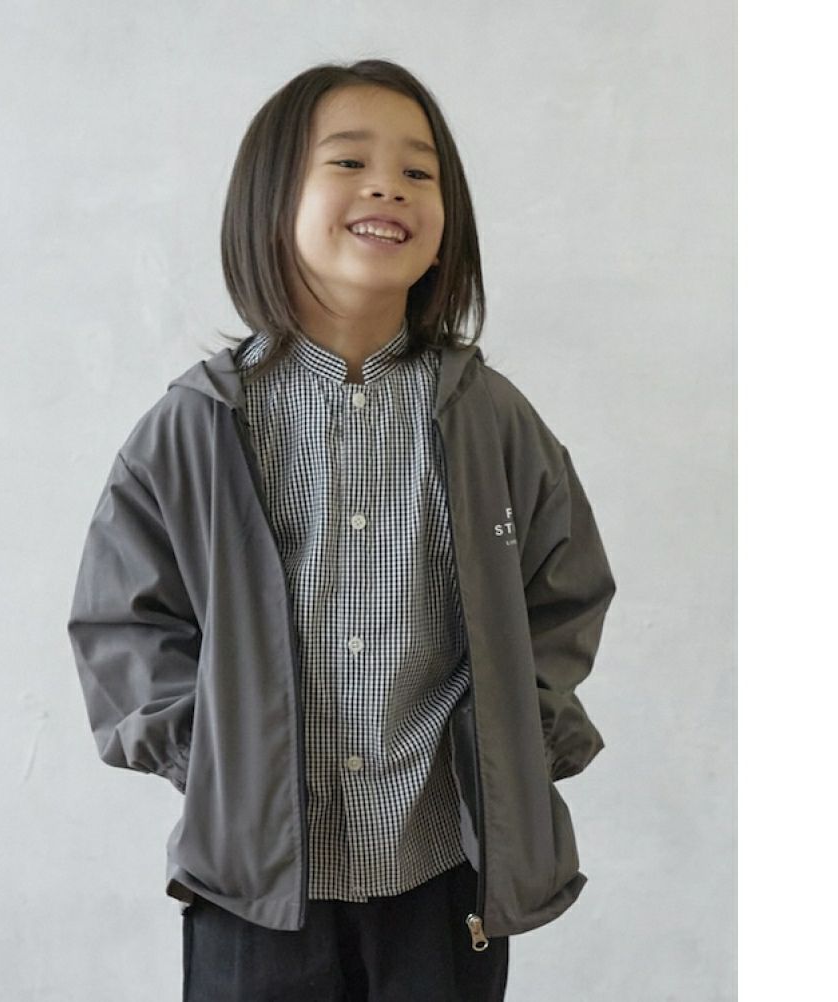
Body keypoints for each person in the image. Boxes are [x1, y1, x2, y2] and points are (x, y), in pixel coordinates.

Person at [67, 57, 617, 1002]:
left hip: (444, 872)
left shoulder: (490, 419)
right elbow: (125, 623)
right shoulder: (200, 425)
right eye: (350, 161)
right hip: (259, 890)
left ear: (446, 225)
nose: (387, 187)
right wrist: (219, 766)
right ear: (270, 202)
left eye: (418, 171)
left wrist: (518, 747)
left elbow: (564, 590)